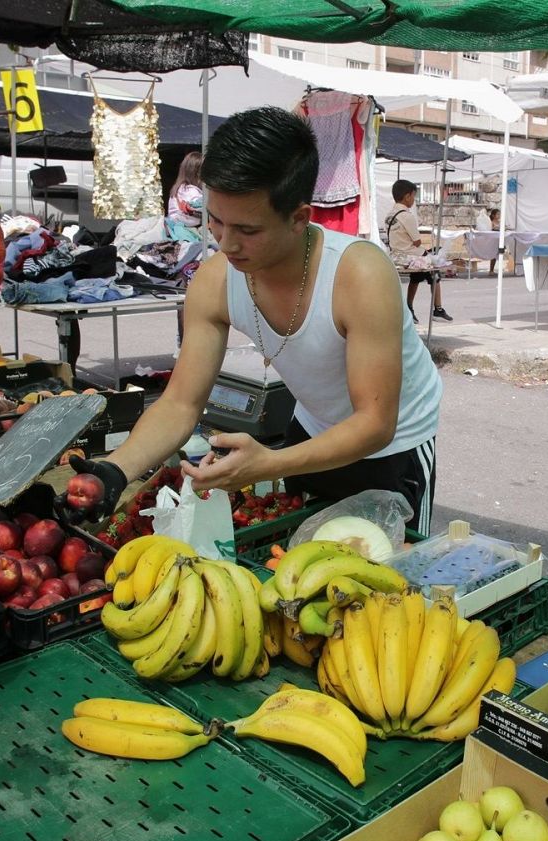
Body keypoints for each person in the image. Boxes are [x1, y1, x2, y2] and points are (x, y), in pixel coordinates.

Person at [68, 107, 443, 533]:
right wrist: (115, 471)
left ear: (299, 218)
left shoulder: (360, 276)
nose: (226, 243)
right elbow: (180, 403)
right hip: (312, 430)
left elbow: (375, 423)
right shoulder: (215, 281)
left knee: (389, 576)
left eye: (247, 230)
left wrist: (269, 463)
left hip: (393, 448)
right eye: (216, 221)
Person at [383, 179, 451, 323]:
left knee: (416, 277)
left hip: (395, 255)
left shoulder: (389, 216)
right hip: (411, 256)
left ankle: (409, 307)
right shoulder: (407, 216)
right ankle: (437, 309)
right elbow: (417, 241)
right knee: (435, 271)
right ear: (407, 196)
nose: (414, 200)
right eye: (414, 196)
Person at [166, 150, 205, 242]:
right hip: (186, 231)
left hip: (175, 229)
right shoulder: (191, 191)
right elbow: (202, 208)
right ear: (198, 174)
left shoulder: (178, 189)